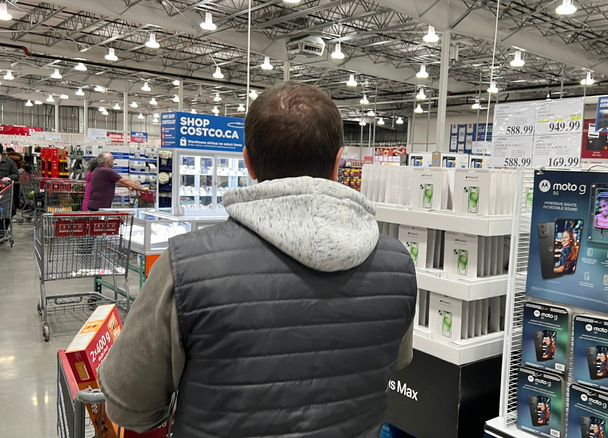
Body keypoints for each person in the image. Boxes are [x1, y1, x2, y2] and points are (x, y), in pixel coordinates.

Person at [98, 81, 418, 437]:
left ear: (248, 161)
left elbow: (130, 405)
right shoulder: (398, 265)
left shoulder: (185, 265)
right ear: (338, 162)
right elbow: (397, 360)